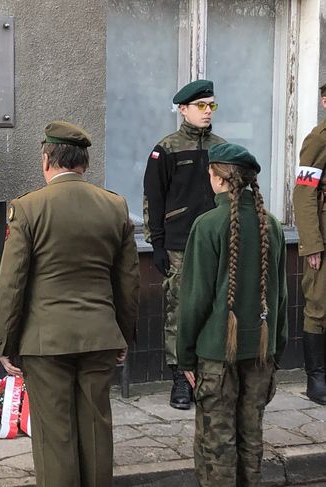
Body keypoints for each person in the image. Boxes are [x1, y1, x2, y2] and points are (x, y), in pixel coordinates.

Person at [0, 120, 140, 487]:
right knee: (96, 428)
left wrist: (6, 344)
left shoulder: (28, 208)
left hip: (46, 342)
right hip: (100, 336)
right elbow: (128, 280)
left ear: (47, 160)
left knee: (55, 435)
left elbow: (12, 285)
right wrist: (124, 333)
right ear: (84, 164)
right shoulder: (115, 207)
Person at [177, 143, 287, 486]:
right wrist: (276, 354)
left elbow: (195, 300)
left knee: (216, 444)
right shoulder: (273, 225)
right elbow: (280, 297)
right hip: (261, 351)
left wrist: (185, 356)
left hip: (214, 354)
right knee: (251, 438)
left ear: (218, 178)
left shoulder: (207, 225)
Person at [143, 79, 226, 409]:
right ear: (183, 109)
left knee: (215, 308)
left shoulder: (221, 147)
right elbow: (154, 197)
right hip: (180, 243)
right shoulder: (167, 148)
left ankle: (209, 377)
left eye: (212, 106)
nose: (208, 112)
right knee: (180, 311)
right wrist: (158, 244)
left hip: (216, 242)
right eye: (201, 106)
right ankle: (181, 379)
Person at [292, 82, 326, 405]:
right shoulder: (318, 139)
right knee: (318, 303)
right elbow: (303, 192)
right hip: (323, 236)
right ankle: (315, 378)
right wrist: (312, 243)